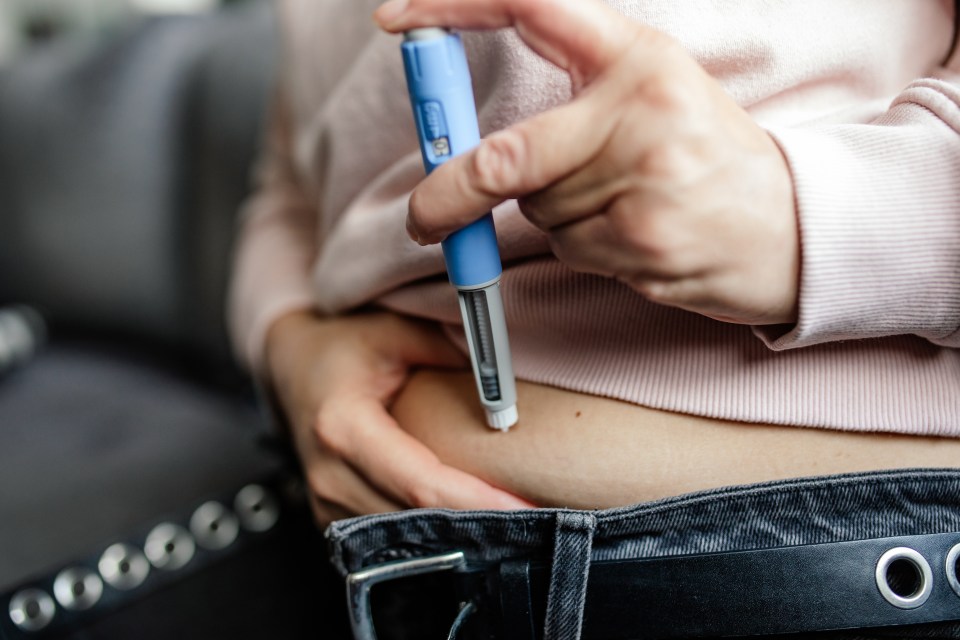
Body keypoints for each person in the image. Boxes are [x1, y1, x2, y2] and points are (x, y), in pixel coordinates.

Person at [228, 0, 960, 529]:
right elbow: (289, 181)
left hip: (809, 555)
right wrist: (293, 343)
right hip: (378, 542)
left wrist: (794, 213)